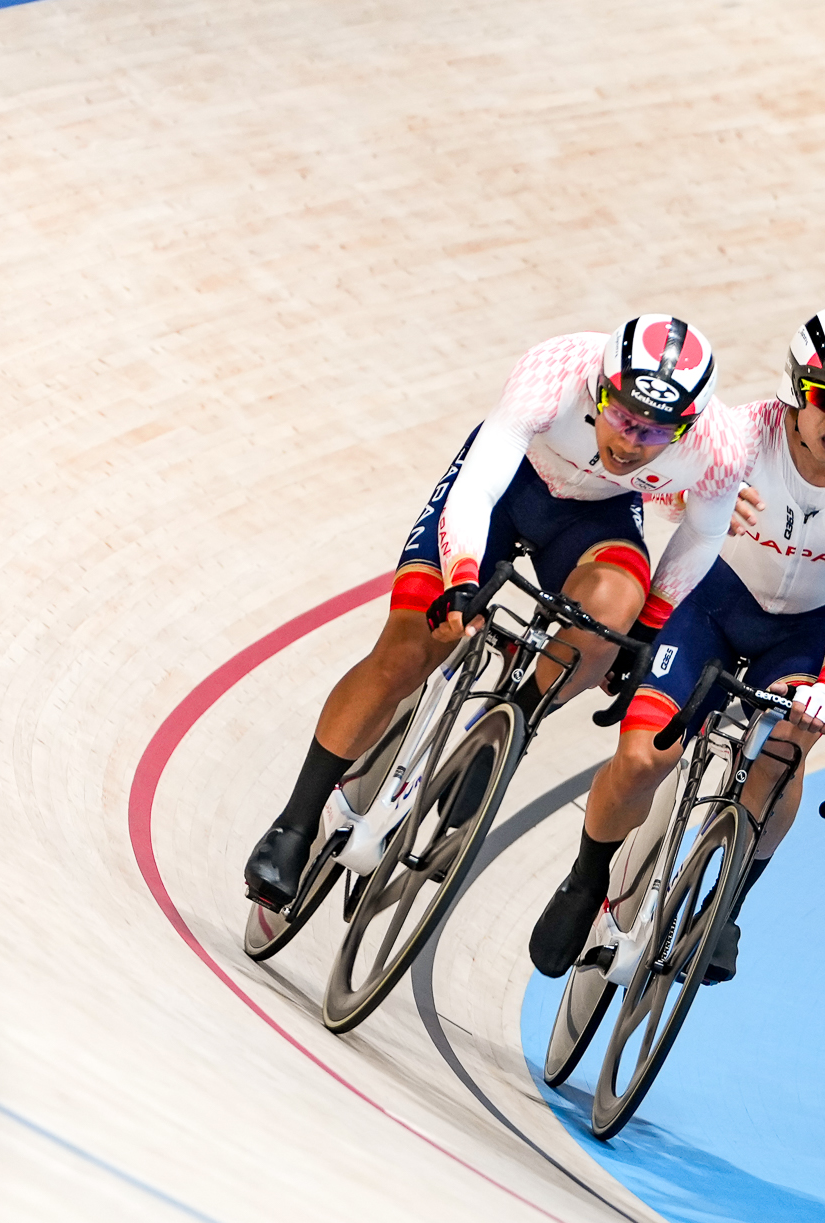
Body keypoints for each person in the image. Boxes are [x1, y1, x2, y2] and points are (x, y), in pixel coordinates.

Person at [244, 315, 751, 908]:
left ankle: (509, 726)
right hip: (508, 486)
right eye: (623, 419)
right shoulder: (557, 370)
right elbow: (479, 486)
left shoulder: (718, 445)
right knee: (411, 647)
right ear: (603, 389)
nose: (630, 442)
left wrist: (645, 634)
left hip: (595, 517)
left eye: (653, 434)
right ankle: (295, 824)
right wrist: (461, 581)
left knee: (612, 616)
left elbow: (701, 537)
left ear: (686, 426)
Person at [529, 305, 825, 981]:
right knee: (642, 758)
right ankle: (585, 877)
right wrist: (693, 503)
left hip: (806, 634)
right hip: (712, 608)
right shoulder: (744, 431)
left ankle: (726, 907)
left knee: (783, 752)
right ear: (797, 390)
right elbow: (660, 483)